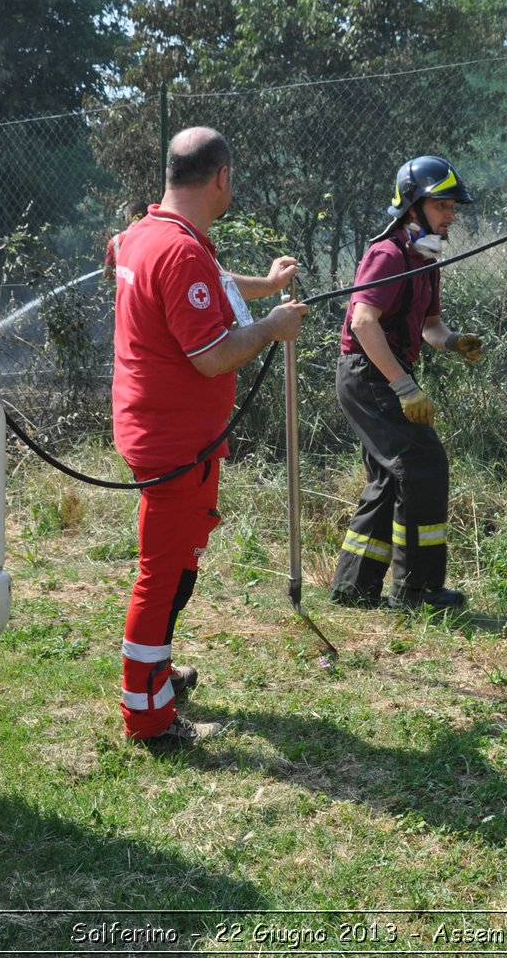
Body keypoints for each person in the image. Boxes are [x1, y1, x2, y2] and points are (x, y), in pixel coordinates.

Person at [111, 127, 308, 747]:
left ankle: (158, 674)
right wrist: (273, 327)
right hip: (172, 444)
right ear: (220, 176)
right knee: (161, 575)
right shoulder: (180, 251)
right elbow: (212, 356)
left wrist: (267, 290)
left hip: (171, 436)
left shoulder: (148, 235)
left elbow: (209, 287)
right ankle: (147, 715)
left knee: (180, 564)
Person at [328, 155, 486, 612]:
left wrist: (454, 342)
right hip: (369, 373)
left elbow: (428, 328)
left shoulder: (425, 256)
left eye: (454, 207)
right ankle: (417, 592)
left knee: (389, 476)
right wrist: (403, 386)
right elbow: (363, 322)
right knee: (423, 465)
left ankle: (353, 586)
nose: (451, 216)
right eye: (442, 206)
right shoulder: (389, 253)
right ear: (414, 206)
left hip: (385, 372)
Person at [104, 199, 149, 273]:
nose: (124, 219)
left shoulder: (115, 241)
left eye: (125, 216)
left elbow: (107, 273)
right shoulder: (158, 234)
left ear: (130, 215)